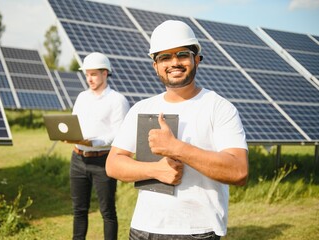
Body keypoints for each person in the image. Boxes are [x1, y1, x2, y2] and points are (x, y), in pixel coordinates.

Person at [106, 20, 249, 240]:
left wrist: (176, 148)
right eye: (164, 57)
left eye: (182, 54)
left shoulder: (219, 107)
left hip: (198, 231)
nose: (174, 62)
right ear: (155, 65)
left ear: (197, 59)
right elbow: (113, 164)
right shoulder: (141, 108)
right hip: (144, 229)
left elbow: (238, 171)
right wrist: (155, 170)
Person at [69, 52, 130, 240]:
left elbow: (119, 133)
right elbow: (74, 123)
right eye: (87, 74)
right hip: (77, 159)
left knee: (107, 211)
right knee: (79, 210)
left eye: (94, 74)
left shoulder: (118, 100)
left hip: (103, 161)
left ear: (105, 73)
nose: (89, 79)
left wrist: (94, 142)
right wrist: (68, 135)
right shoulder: (81, 97)